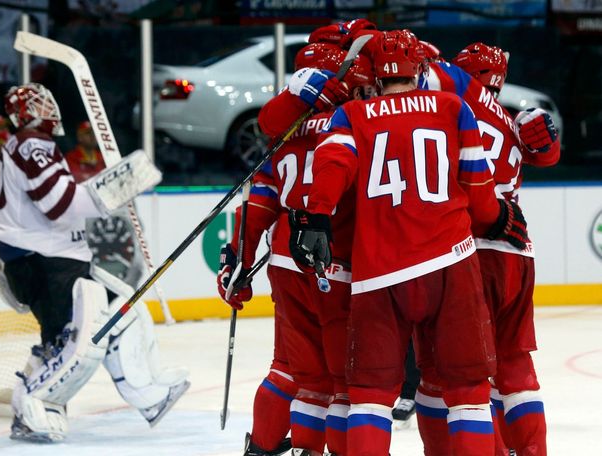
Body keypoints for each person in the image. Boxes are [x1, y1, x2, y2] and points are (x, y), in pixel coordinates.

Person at [289, 30, 529, 456]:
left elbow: (333, 162)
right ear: (420, 70)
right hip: (451, 267)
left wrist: (316, 216)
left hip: (379, 273)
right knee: (469, 392)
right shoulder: (454, 108)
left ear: (377, 76)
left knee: (369, 396)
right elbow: (479, 197)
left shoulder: (354, 116)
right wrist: (500, 219)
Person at [0, 82, 189, 442]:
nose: (51, 109)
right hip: (43, 260)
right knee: (74, 343)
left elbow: (59, 203)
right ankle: (33, 407)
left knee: (121, 313)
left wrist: (108, 188)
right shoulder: (34, 144)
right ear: (29, 112)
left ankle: (147, 393)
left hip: (54, 257)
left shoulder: (34, 145)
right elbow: (59, 207)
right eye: (41, 103)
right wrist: (112, 189)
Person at [218, 37, 376, 456]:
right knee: (344, 378)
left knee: (291, 368)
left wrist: (237, 261)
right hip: (332, 258)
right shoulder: (354, 123)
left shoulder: (285, 133)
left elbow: (259, 204)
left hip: (286, 261)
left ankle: (265, 448)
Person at [417, 41, 559, 456]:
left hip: (466, 248)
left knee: (453, 371)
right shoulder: (512, 122)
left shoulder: (462, 97)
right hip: (516, 249)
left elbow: (428, 73)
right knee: (514, 366)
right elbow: (546, 152)